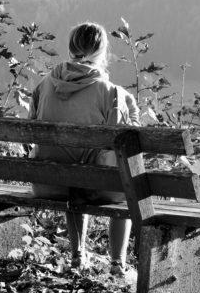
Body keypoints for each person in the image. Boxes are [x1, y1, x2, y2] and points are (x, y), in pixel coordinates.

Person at [29, 22, 139, 276]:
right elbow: (124, 140)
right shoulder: (109, 92)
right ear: (101, 53)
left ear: (70, 48)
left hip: (48, 184)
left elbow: (32, 124)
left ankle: (78, 256)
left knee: (71, 173)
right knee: (125, 186)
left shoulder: (44, 85)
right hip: (94, 186)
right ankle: (117, 264)